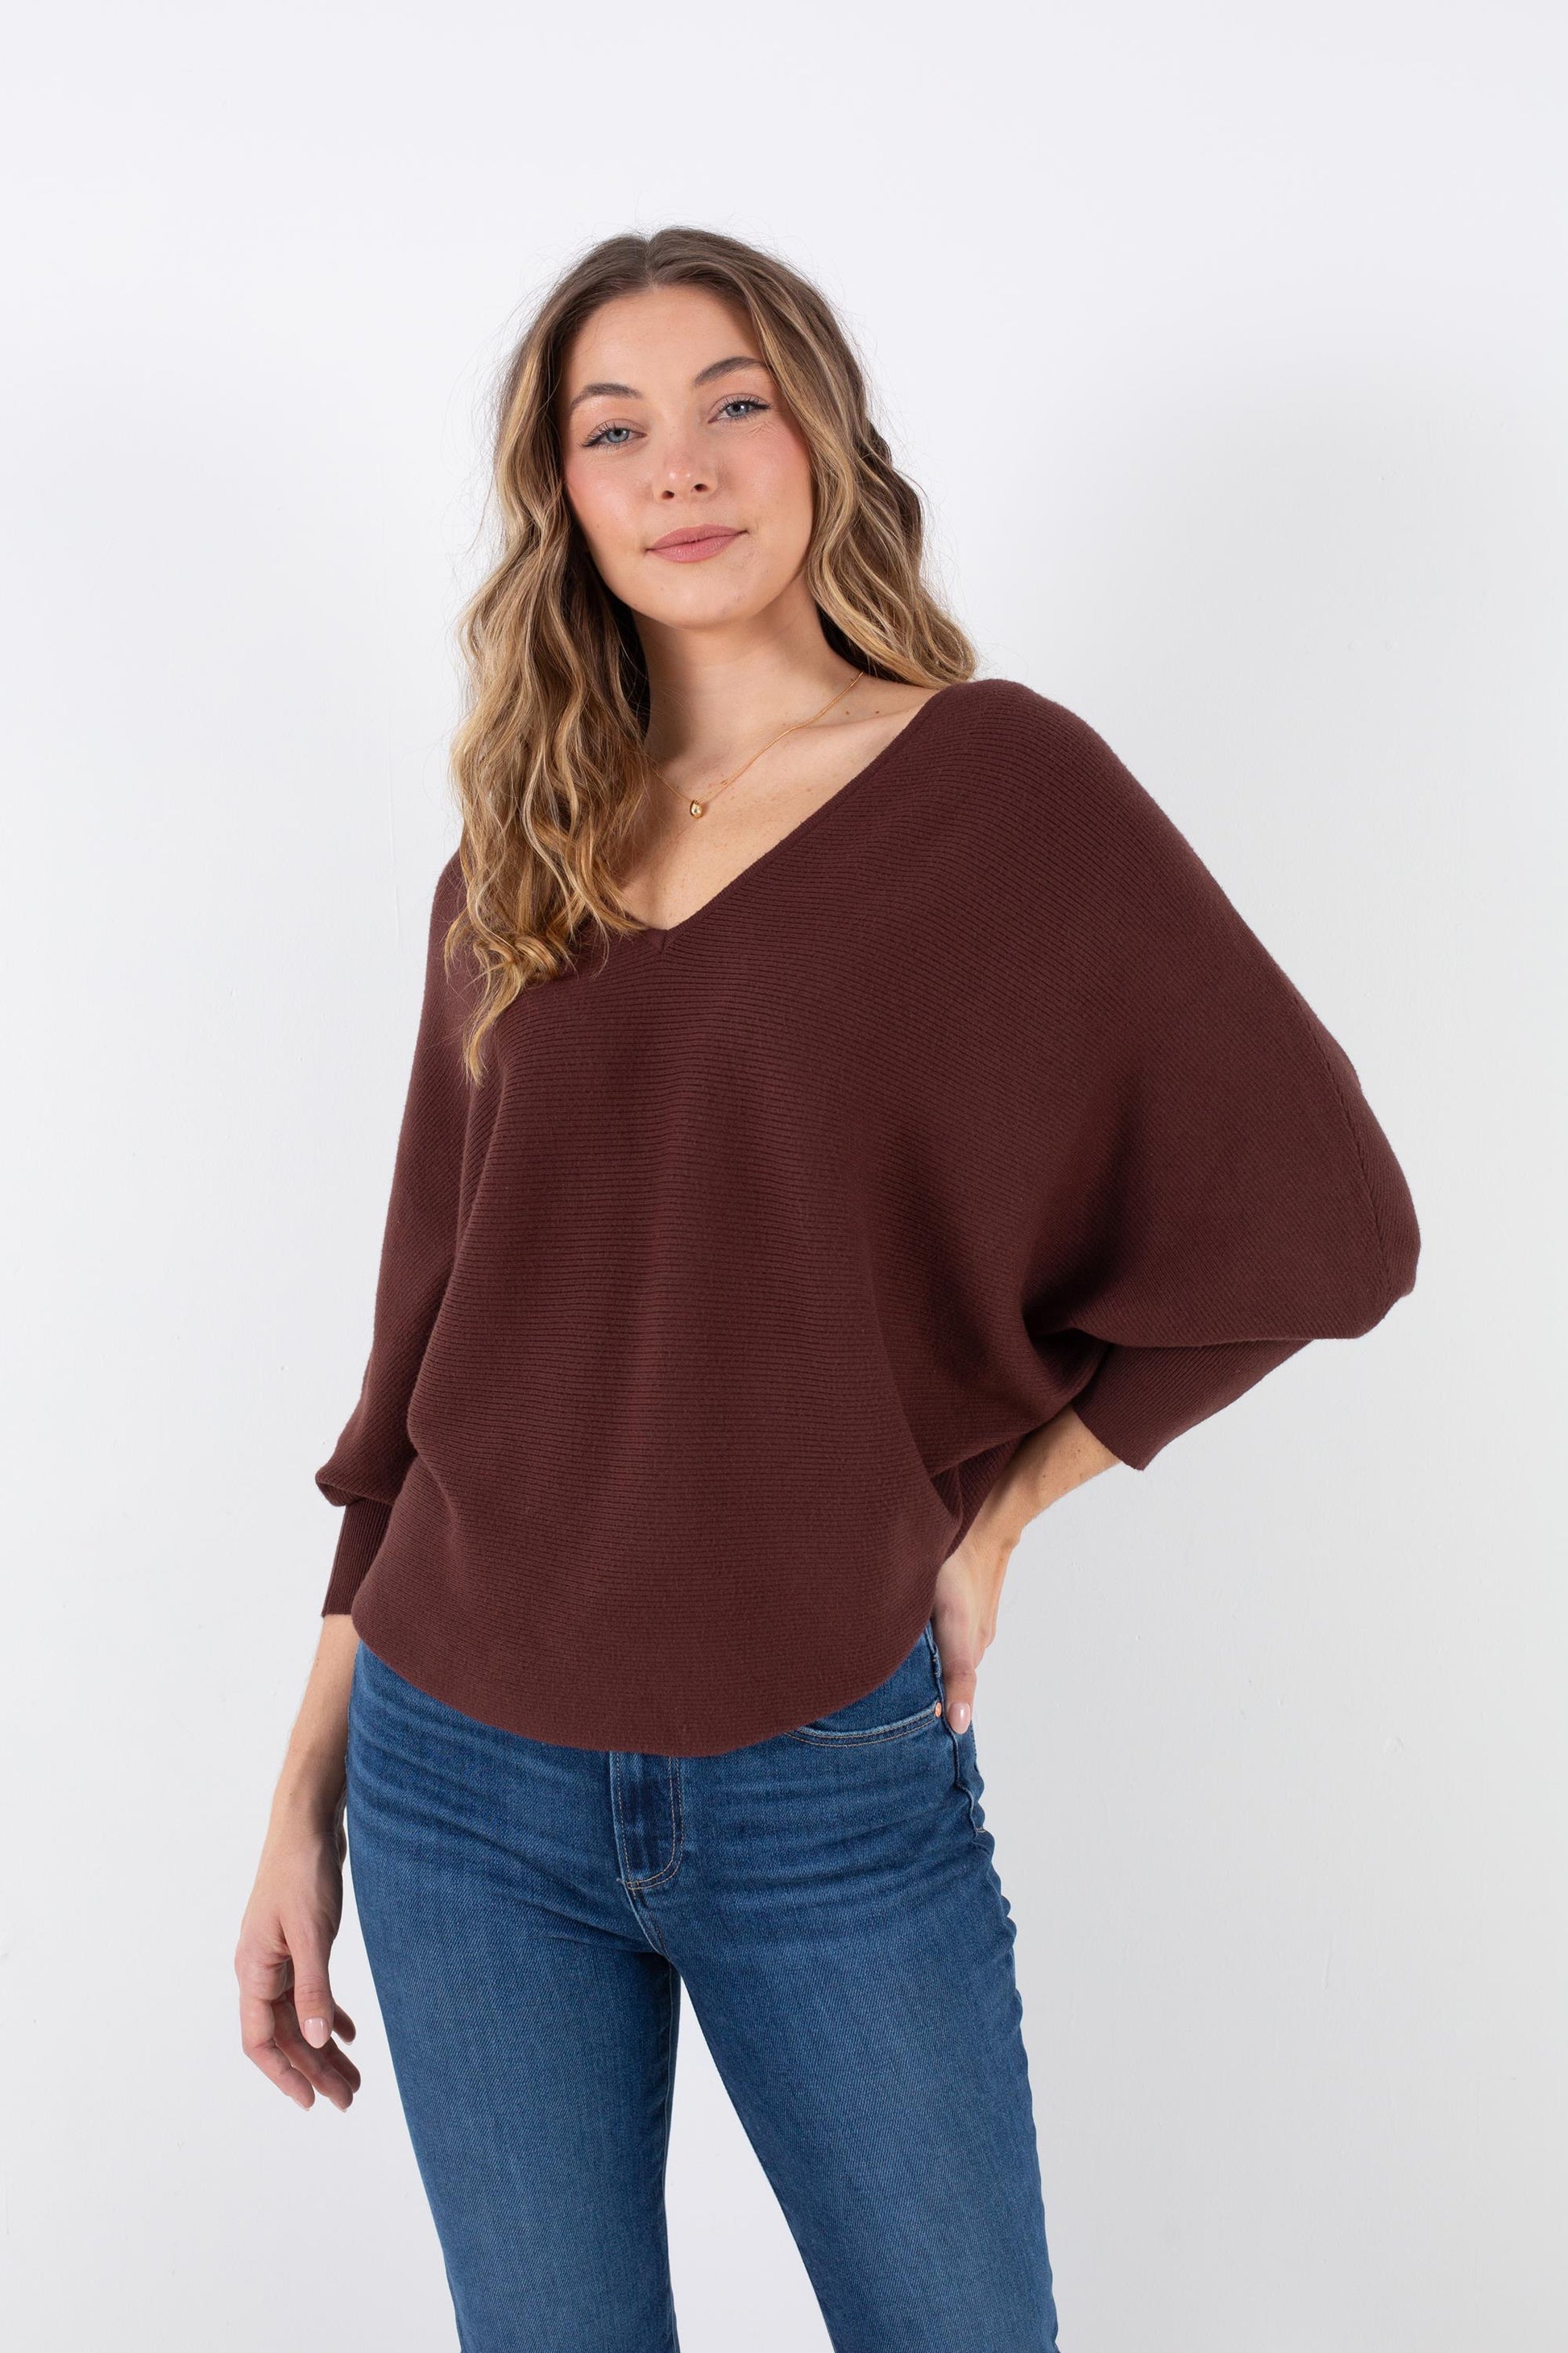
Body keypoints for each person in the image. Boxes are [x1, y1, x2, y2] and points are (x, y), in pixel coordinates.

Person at [235, 226, 1420, 2352]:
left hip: (818, 1766)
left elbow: (1328, 1223)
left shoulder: (1001, 785)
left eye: (733, 406)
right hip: (452, 1774)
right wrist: (299, 1793)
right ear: (562, 498)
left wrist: (1005, 1507)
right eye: (614, 430)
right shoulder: (517, 849)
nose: (680, 467)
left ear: (824, 445)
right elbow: (418, 1358)